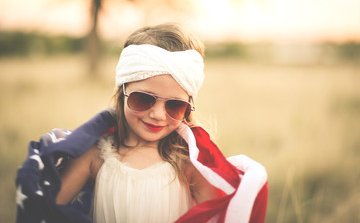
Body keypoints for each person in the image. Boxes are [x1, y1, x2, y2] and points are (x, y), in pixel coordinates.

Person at [16, 23, 268, 223]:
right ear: (122, 92)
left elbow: (220, 215)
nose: (158, 114)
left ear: (188, 108)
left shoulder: (187, 163)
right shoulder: (96, 155)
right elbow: (49, 210)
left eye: (174, 105)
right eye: (143, 99)